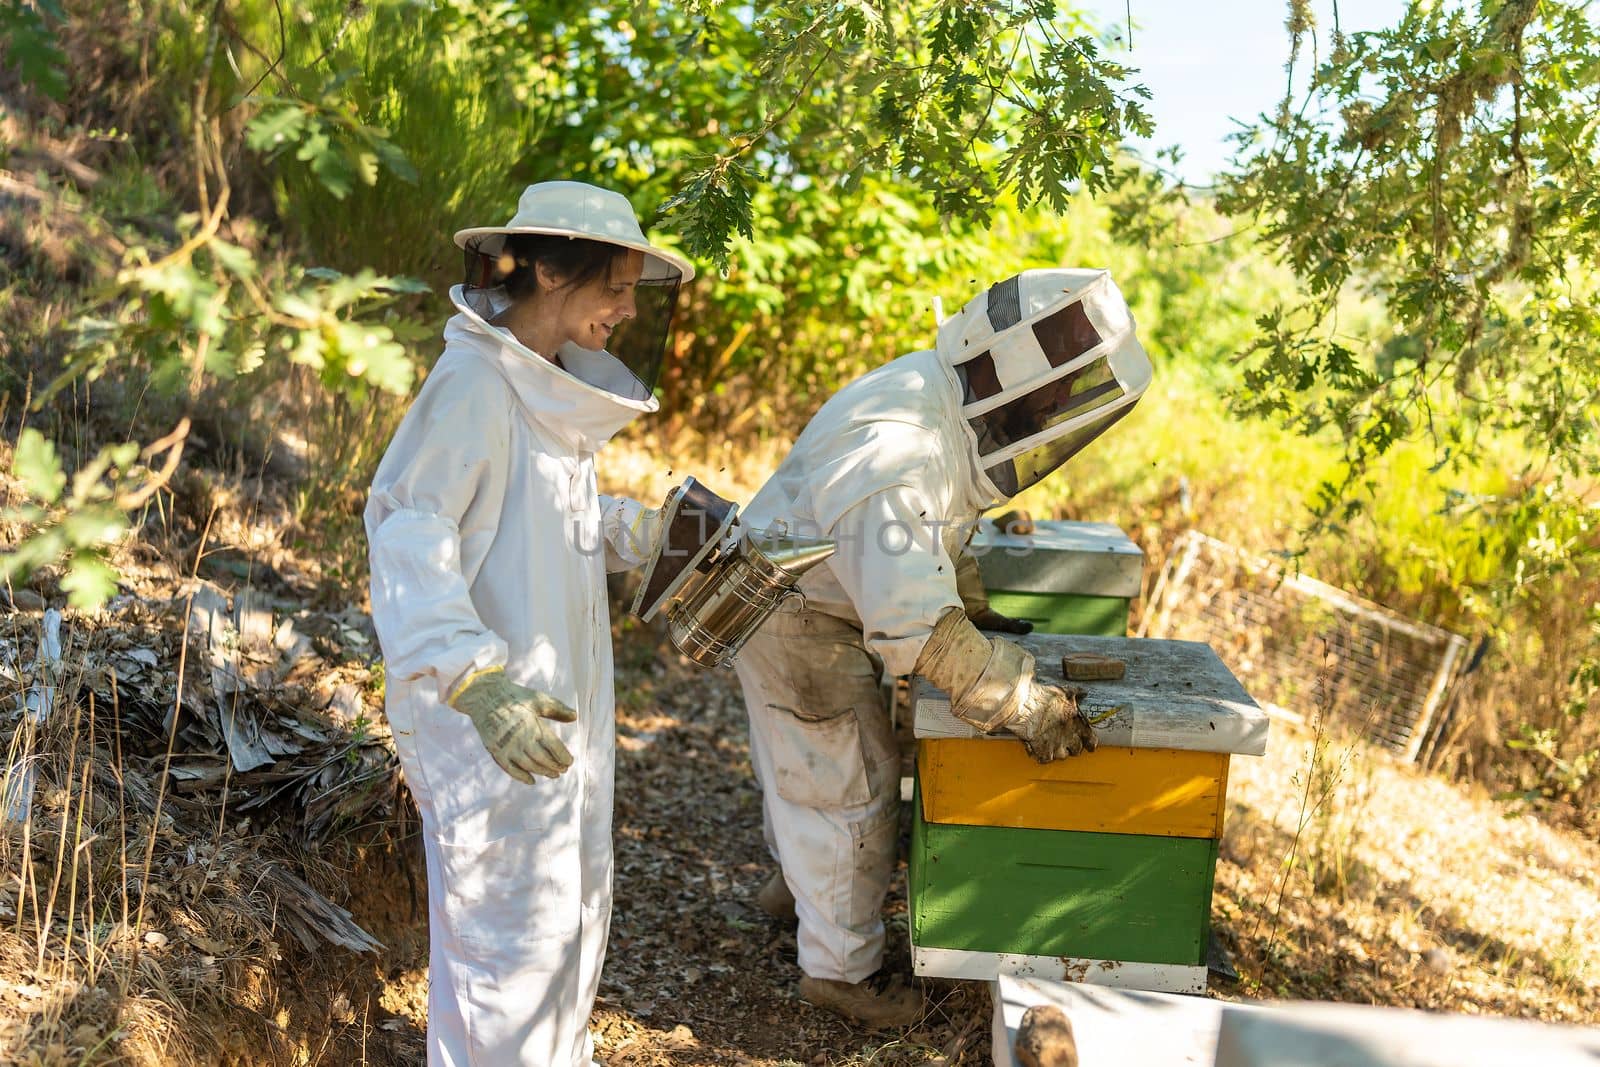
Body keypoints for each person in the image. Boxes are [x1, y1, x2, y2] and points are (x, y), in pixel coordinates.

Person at [732, 268, 1153, 1027]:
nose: (1060, 406)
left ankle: (798, 887)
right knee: (850, 789)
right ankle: (839, 972)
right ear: (1014, 365)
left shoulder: (937, 402)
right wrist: (1022, 704)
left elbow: (938, 524)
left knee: (817, 764)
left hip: (819, 598)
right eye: (1058, 385)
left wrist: (973, 604)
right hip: (795, 617)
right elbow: (914, 619)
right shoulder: (895, 446)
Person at [365, 181, 693, 1066]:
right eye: (615, 286)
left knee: (562, 937)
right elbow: (412, 533)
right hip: (491, 729)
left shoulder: (540, 388)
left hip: (547, 722)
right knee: (508, 959)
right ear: (549, 269)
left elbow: (546, 523)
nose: (628, 308)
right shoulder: (473, 384)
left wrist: (647, 529)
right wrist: (475, 678)